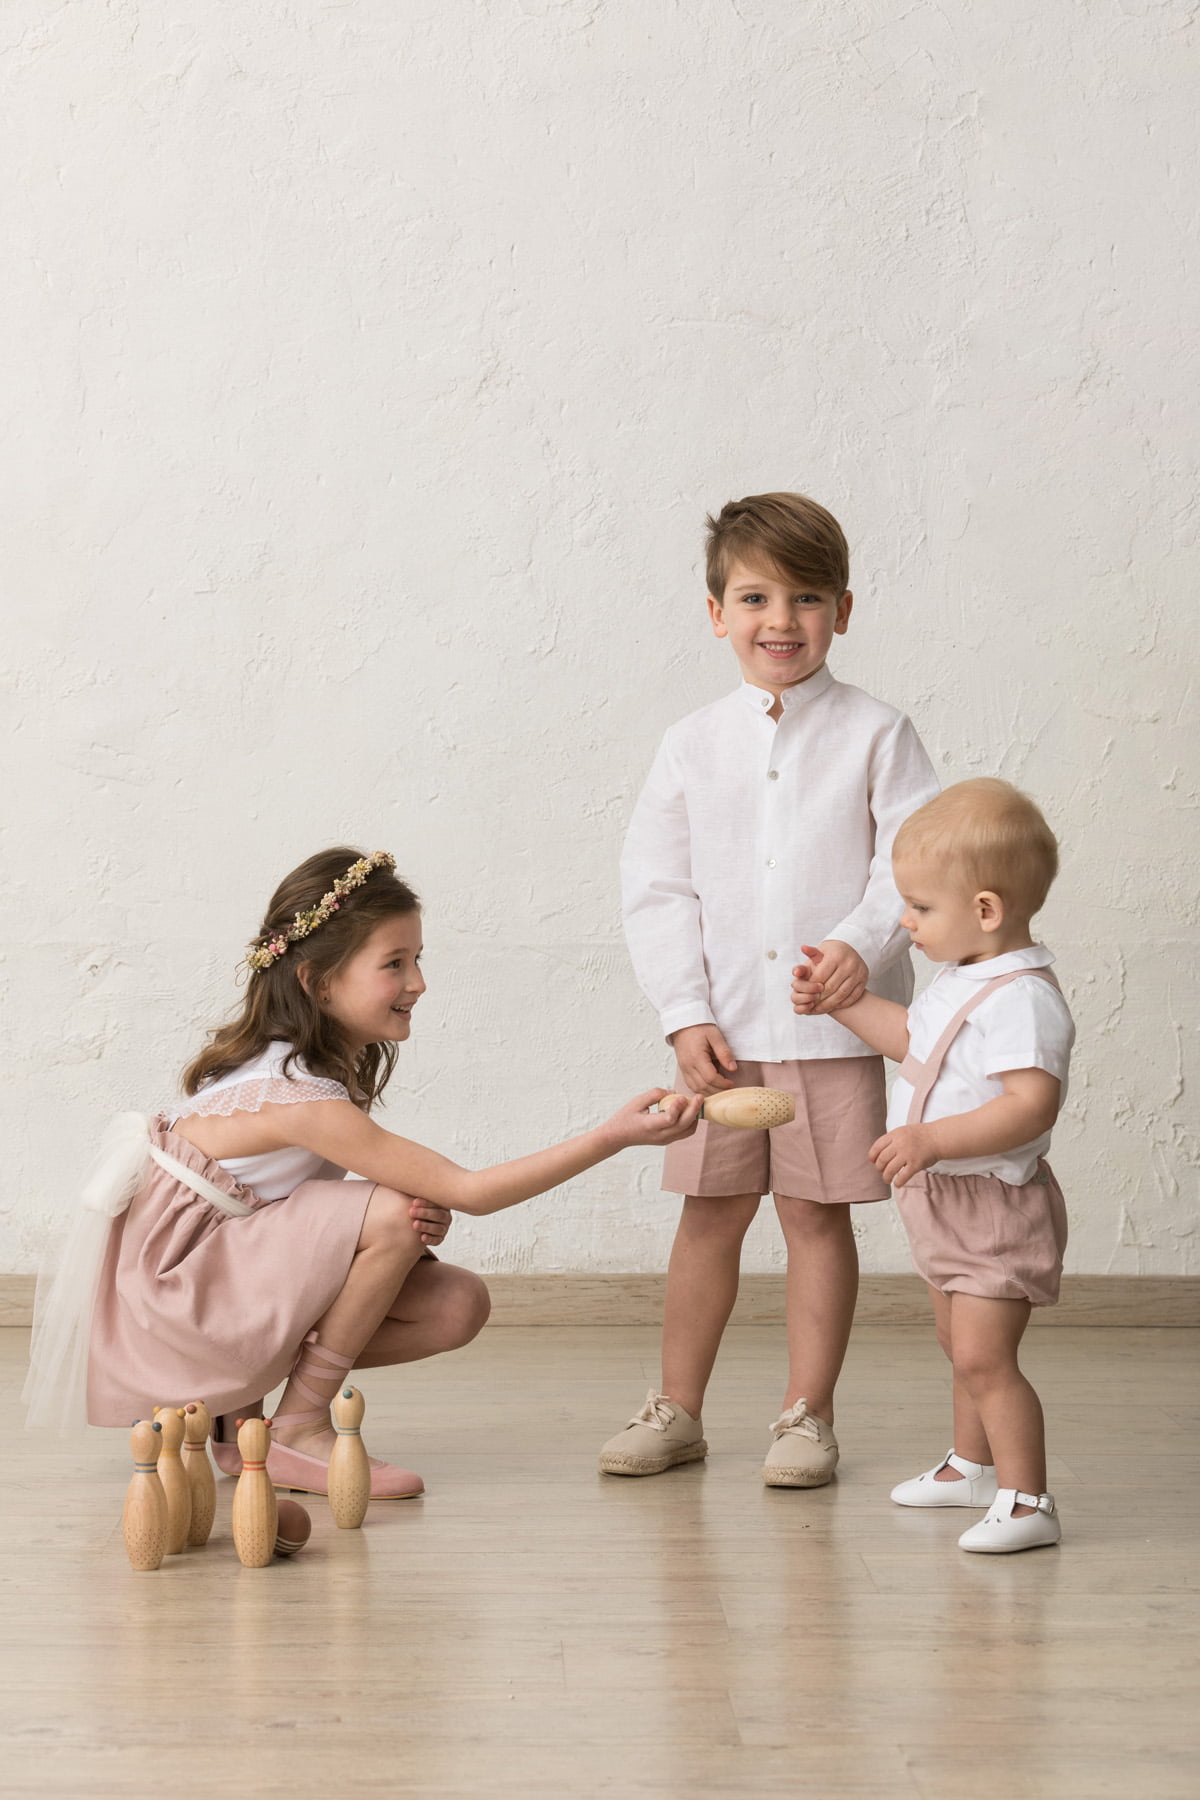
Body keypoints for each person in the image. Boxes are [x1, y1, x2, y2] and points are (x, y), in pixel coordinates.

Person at [25, 847, 699, 1496]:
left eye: (418, 960)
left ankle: (238, 1414)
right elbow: (471, 1192)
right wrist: (614, 1137)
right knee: (394, 1211)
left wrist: (384, 1212)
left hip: (209, 1286)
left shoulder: (299, 1073)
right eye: (394, 964)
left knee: (456, 1304)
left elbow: (272, 1204)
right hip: (172, 1310)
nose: (418, 983)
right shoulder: (295, 1096)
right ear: (317, 983)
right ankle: (299, 1424)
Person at [599, 492, 938, 1486]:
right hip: (723, 1037)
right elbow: (656, 889)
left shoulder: (879, 732)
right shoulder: (690, 744)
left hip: (834, 1033)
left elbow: (911, 864)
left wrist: (856, 947)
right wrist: (685, 1014)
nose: (778, 621)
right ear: (715, 613)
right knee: (707, 1217)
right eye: (753, 597)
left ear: (842, 608)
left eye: (803, 598)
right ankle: (679, 1408)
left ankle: (806, 1417)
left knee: (814, 1219)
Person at [792, 779, 1074, 1552]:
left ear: (986, 910)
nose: (906, 922)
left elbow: (1030, 1105)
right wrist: (839, 1005)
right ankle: (972, 1466)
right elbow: (915, 1041)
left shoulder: (1021, 997)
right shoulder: (962, 977)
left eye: (920, 908)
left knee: (987, 1356)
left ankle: (1028, 1501)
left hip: (992, 1202)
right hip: (944, 1198)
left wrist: (933, 1142)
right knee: (959, 1344)